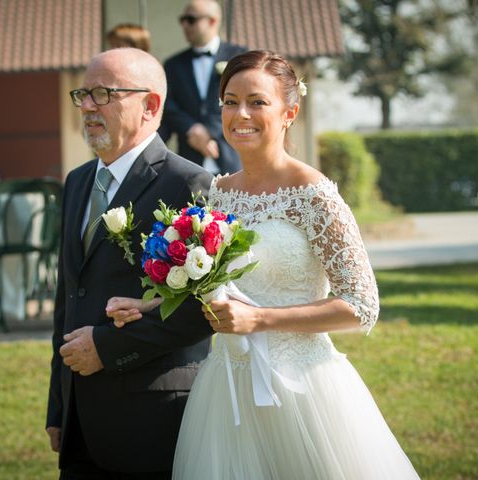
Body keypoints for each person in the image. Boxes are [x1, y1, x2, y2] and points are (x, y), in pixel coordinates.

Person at [107, 50, 421, 479]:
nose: (241, 114)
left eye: (257, 102)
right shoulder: (218, 195)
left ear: (290, 111)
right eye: (230, 101)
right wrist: (149, 303)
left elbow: (362, 305)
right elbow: (218, 285)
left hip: (303, 389)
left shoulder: (314, 195)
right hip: (227, 391)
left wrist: (259, 320)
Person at [45, 48, 213, 480]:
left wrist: (107, 347)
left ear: (150, 106)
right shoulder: (78, 181)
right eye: (83, 93)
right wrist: (59, 404)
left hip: (152, 415)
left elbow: (203, 311)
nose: (86, 106)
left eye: (103, 94)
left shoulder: (189, 183)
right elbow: (69, 294)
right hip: (81, 417)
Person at [160, 0, 245, 175]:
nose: (185, 24)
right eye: (182, 19)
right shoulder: (173, 64)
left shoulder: (239, 56)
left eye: (191, 19)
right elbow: (168, 106)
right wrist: (192, 129)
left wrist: (209, 130)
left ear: (212, 21)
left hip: (231, 158)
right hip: (189, 162)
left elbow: (245, 99)